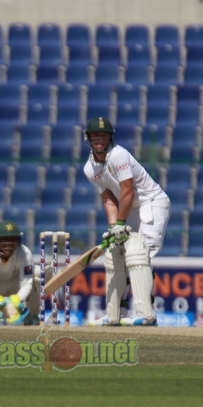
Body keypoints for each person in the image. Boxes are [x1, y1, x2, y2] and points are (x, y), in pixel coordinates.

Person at [82, 115, 171, 326]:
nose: (100, 139)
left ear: (110, 137)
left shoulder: (118, 155)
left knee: (139, 253)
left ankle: (146, 314)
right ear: (88, 138)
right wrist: (114, 227)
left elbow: (128, 192)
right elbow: (108, 198)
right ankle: (115, 314)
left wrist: (120, 224)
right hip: (130, 208)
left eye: (104, 135)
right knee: (116, 253)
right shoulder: (89, 168)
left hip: (151, 202)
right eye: (95, 135)